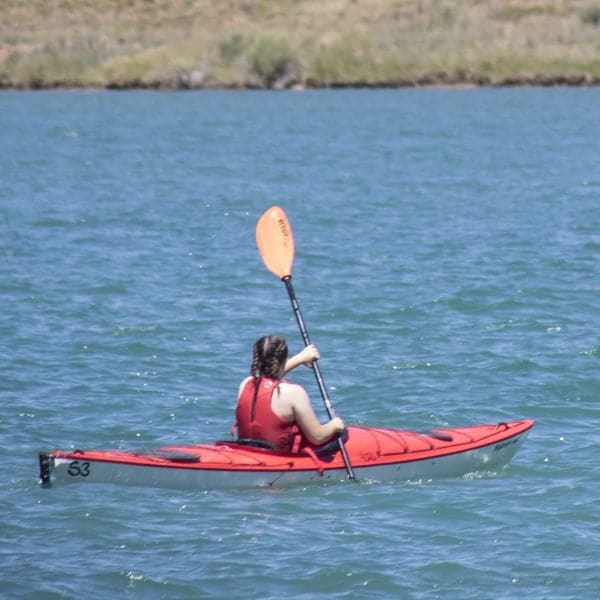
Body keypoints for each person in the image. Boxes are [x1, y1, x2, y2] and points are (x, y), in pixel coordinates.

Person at [235, 335, 345, 452]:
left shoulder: (245, 384)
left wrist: (301, 358)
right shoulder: (294, 393)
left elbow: (268, 378)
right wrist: (334, 425)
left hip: (246, 452)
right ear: (283, 358)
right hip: (276, 459)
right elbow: (317, 437)